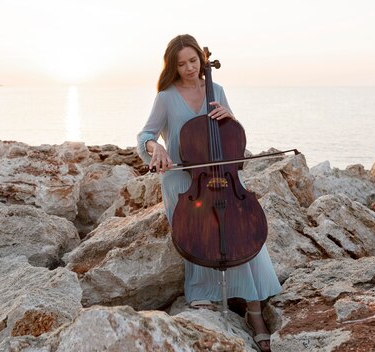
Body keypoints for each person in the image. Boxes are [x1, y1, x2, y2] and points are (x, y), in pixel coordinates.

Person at [136, 34, 282, 352]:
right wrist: (155, 147)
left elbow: (231, 136)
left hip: (223, 178)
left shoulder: (217, 90)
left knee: (241, 230)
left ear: (202, 61)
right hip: (184, 182)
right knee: (200, 234)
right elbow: (145, 133)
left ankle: (255, 312)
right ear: (172, 66)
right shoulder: (165, 96)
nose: (190, 68)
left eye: (194, 61)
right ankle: (205, 295)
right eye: (182, 63)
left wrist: (232, 118)